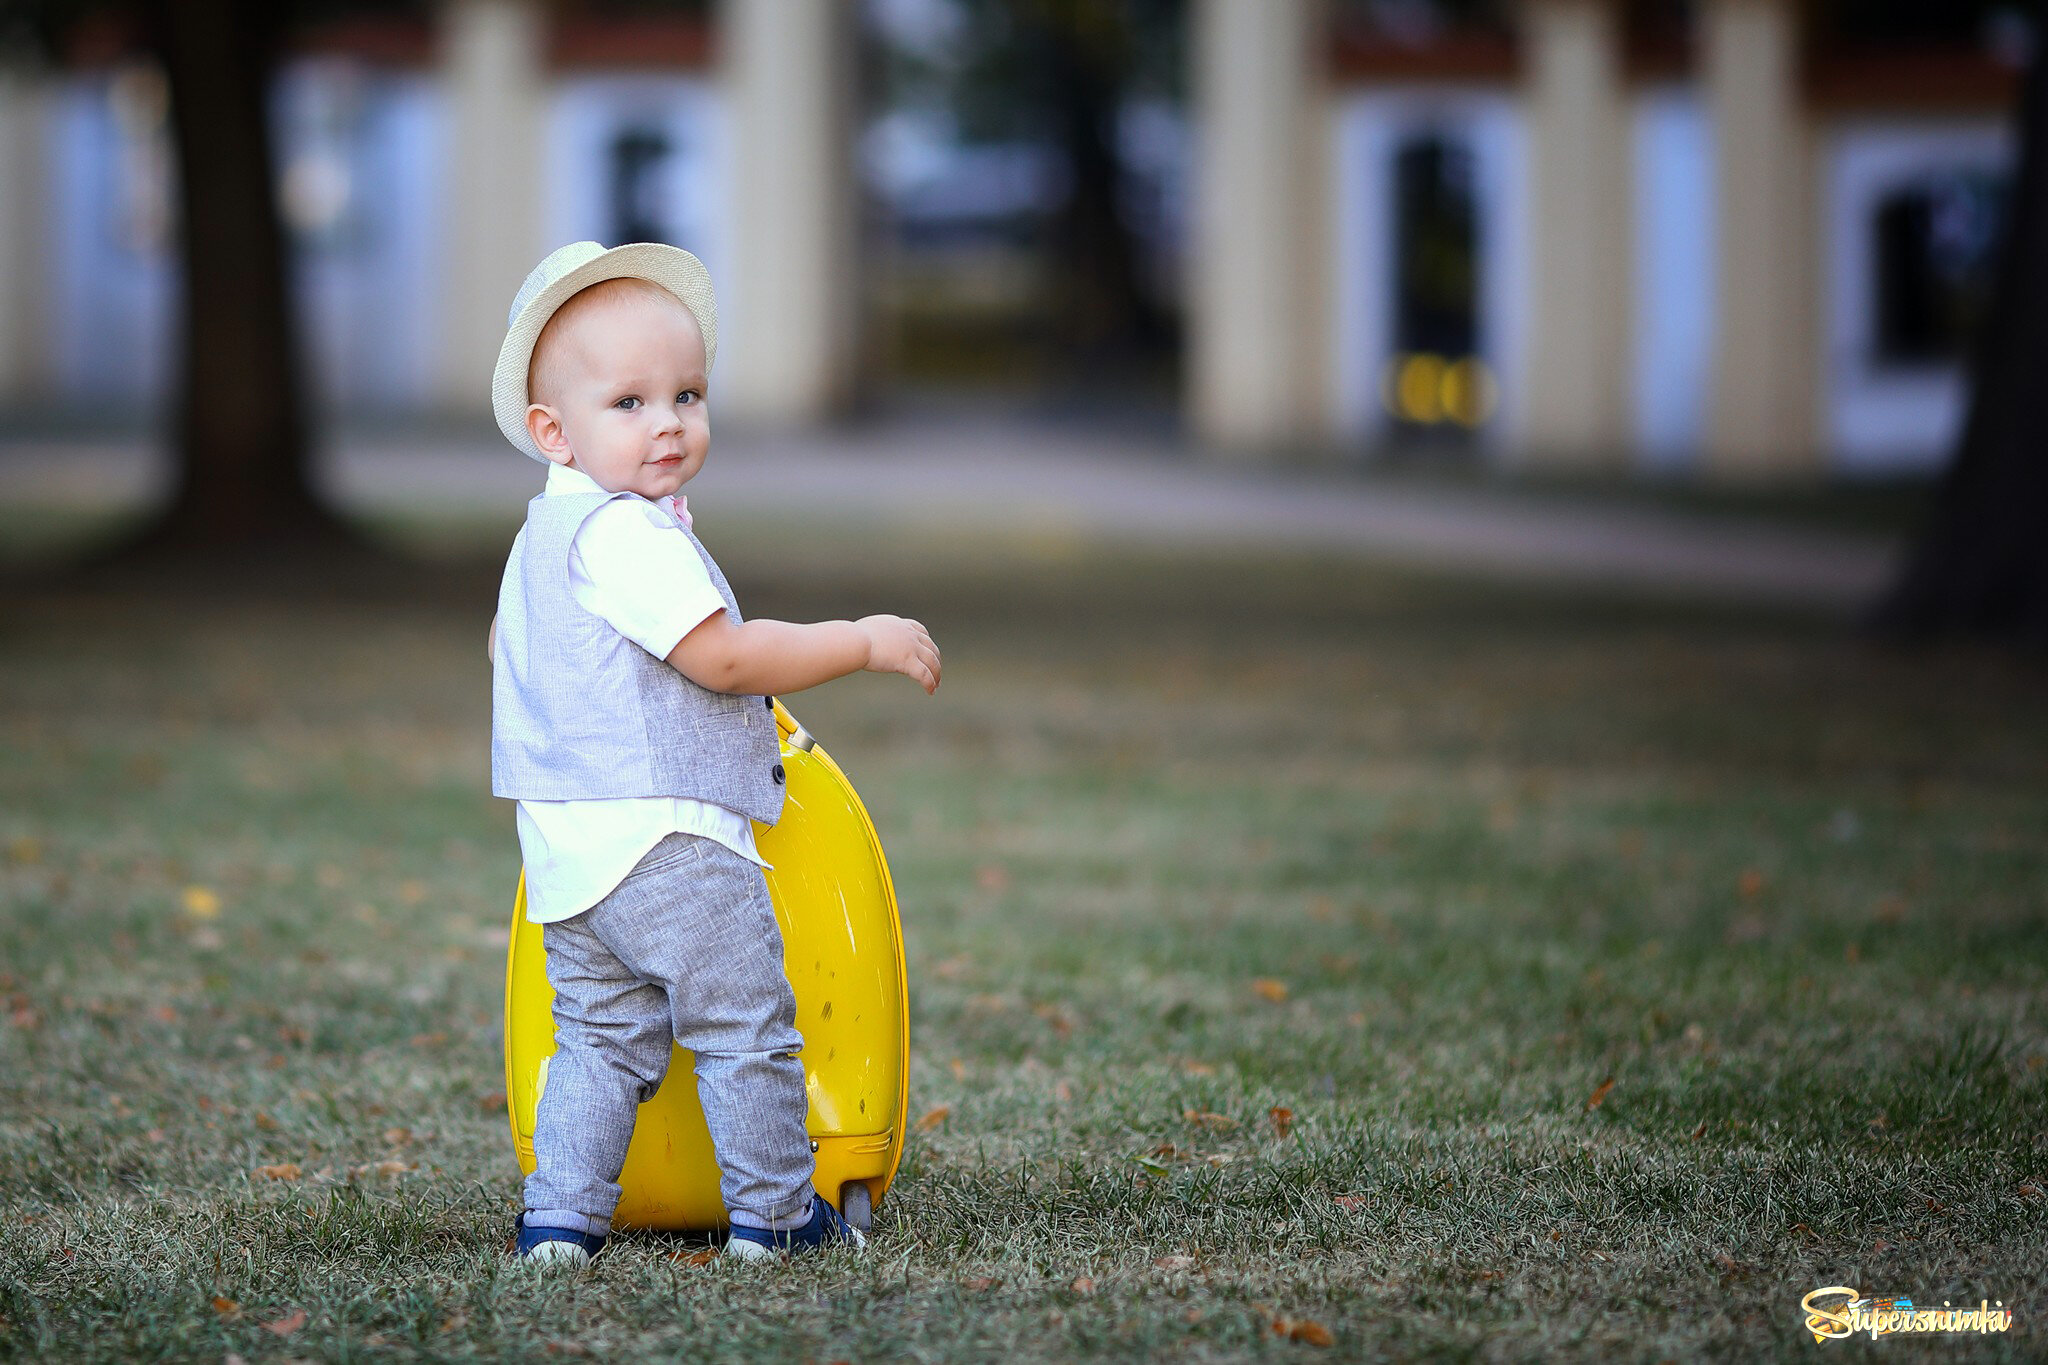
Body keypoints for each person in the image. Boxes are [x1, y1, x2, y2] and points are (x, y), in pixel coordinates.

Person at [486, 241, 941, 1267]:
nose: (669, 425)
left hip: (567, 860)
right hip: (671, 839)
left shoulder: (539, 543)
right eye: (630, 403)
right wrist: (859, 639)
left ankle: (558, 1225)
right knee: (745, 1031)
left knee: (599, 1041)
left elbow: (516, 662)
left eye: (686, 395)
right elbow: (726, 659)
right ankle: (777, 1221)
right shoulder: (626, 538)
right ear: (552, 431)